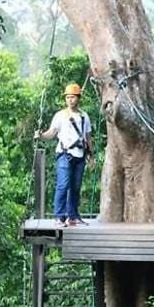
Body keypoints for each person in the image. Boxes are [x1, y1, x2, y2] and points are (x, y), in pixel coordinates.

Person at [35, 83, 95, 227]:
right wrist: (41, 136)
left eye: (73, 97)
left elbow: (88, 137)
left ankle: (73, 217)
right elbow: (52, 133)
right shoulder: (60, 115)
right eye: (68, 97)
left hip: (80, 155)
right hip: (64, 154)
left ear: (78, 98)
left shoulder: (83, 116)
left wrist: (91, 156)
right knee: (63, 185)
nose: (70, 100)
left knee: (75, 186)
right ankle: (59, 217)